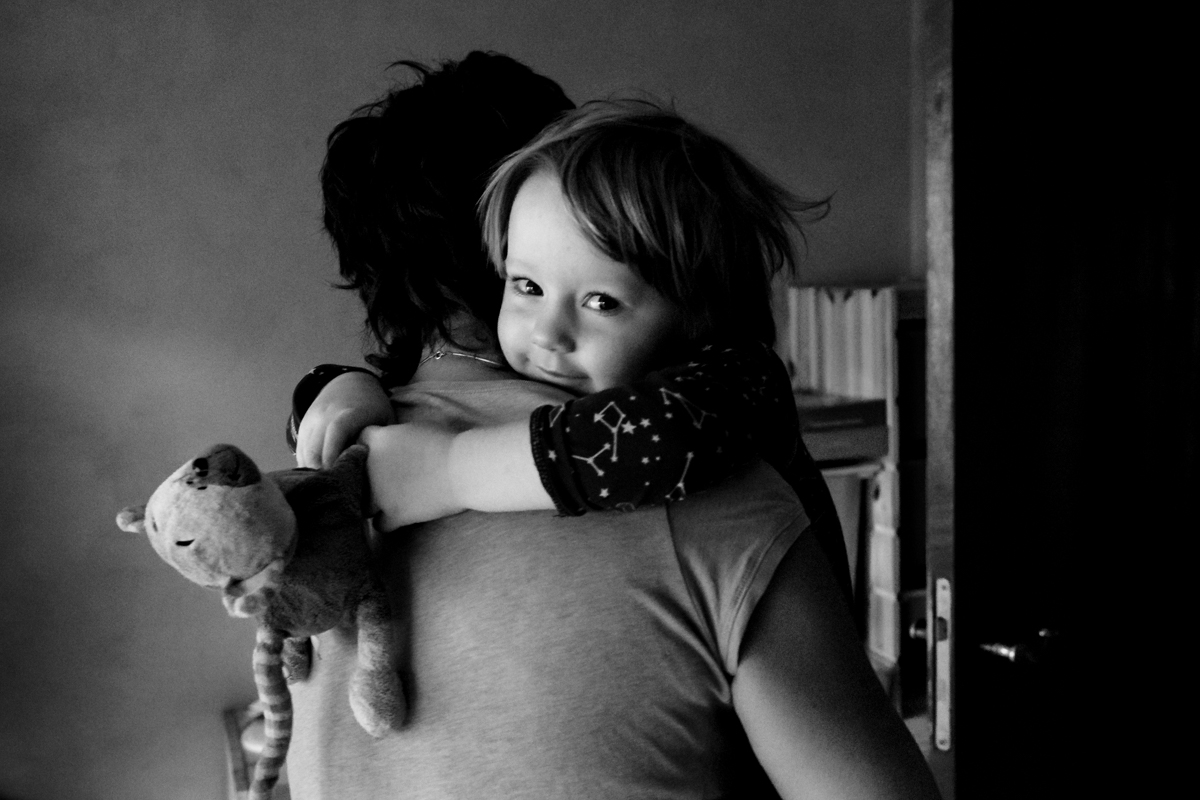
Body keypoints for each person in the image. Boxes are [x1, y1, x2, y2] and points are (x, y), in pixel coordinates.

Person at [285, 53, 939, 799]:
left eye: (600, 299)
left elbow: (665, 429)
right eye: (528, 284)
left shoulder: (318, 505)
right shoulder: (712, 502)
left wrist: (425, 450)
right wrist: (340, 388)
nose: (551, 328)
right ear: (505, 244)